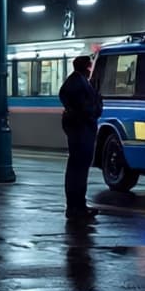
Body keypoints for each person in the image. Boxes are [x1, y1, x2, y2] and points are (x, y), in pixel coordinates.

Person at [59, 53, 102, 219]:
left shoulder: (74, 82)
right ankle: (76, 206)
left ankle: (76, 205)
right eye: (90, 66)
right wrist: (93, 109)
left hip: (80, 128)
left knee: (77, 167)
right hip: (82, 129)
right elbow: (89, 107)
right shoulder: (79, 83)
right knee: (79, 168)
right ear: (86, 67)